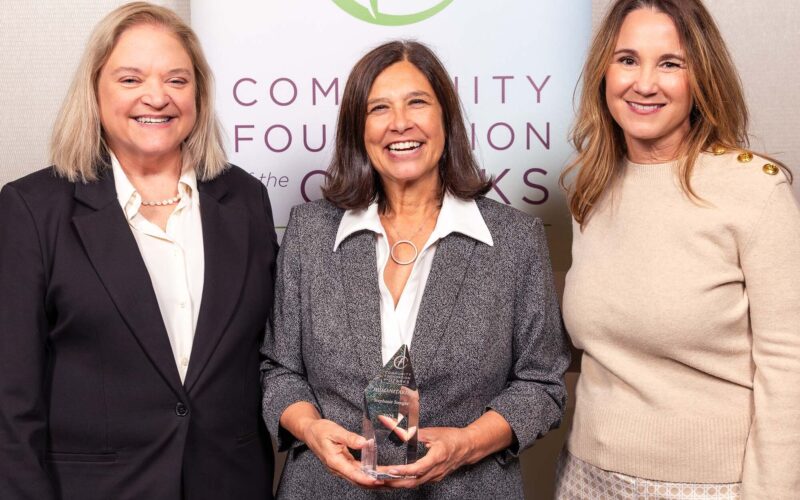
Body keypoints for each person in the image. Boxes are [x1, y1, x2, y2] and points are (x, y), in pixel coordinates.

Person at [261, 40, 570, 499]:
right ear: (358, 129)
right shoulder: (310, 232)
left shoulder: (515, 240)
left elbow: (541, 384)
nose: (400, 122)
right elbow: (278, 369)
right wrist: (310, 428)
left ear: (446, 118)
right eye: (378, 108)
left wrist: (466, 444)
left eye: (417, 103)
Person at [0, 3, 277, 499]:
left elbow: (272, 355)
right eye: (130, 79)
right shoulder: (32, 209)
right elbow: (10, 401)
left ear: (198, 94)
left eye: (177, 80)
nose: (157, 96)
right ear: (94, 91)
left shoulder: (247, 200)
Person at [556, 0, 800, 498]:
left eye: (670, 63)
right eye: (627, 60)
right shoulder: (592, 187)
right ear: (604, 71)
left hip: (709, 486)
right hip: (585, 476)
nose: (644, 84)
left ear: (701, 77)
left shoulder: (756, 189)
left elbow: (788, 365)